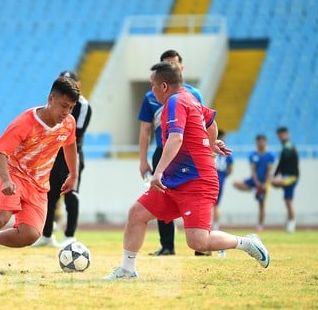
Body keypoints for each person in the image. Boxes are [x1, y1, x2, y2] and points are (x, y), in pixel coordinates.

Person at [104, 62, 270, 280]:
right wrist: (209, 143)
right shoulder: (189, 97)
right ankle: (126, 270)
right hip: (176, 180)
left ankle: (247, 243)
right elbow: (211, 122)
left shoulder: (175, 101)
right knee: (137, 213)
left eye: (152, 85)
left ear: (163, 86)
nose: (150, 89)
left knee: (198, 242)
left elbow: (176, 137)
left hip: (196, 181)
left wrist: (158, 172)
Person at [0, 76, 80, 273]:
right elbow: (2, 152)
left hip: (39, 185)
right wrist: (7, 180)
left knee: (29, 235)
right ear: (51, 99)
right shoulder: (25, 122)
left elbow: (70, 145)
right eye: (64, 106)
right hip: (15, 174)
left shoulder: (68, 123)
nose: (67, 112)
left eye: (71, 107)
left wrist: (73, 174)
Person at [137, 49, 206, 257]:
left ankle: (201, 245)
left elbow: (204, 124)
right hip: (162, 150)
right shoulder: (151, 97)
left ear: (181, 68)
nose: (171, 68)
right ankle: (167, 245)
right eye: (167, 64)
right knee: (161, 196)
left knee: (193, 195)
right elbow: (145, 129)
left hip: (187, 152)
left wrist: (206, 149)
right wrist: (143, 160)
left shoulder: (193, 94)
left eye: (174, 65)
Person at [33, 70, 92, 248]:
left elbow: (76, 134)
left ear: (78, 85)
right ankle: (46, 234)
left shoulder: (84, 106)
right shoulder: (54, 103)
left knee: (71, 194)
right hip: (52, 155)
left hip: (72, 154)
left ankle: (69, 235)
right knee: (49, 195)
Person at [233, 134, 275, 232]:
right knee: (236, 183)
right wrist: (256, 184)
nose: (260, 143)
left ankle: (260, 225)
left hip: (265, 181)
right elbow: (253, 171)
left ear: (265, 142)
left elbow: (269, 171)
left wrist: (264, 184)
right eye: (258, 141)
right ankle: (253, 190)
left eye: (262, 141)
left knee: (262, 204)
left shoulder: (270, 155)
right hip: (255, 181)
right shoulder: (253, 155)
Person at [271, 126, 299, 233]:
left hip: (291, 176)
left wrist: (277, 175)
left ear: (287, 134)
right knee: (287, 200)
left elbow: (282, 163)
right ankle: (290, 223)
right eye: (279, 135)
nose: (281, 136)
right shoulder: (286, 146)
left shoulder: (288, 147)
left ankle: (292, 224)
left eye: (282, 134)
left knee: (288, 200)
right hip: (288, 176)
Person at [213, 130, 233, 256]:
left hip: (211, 179)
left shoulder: (211, 149)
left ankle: (210, 228)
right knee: (217, 205)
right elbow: (231, 168)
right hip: (220, 180)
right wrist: (224, 177)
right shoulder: (226, 153)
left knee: (210, 205)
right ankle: (215, 226)